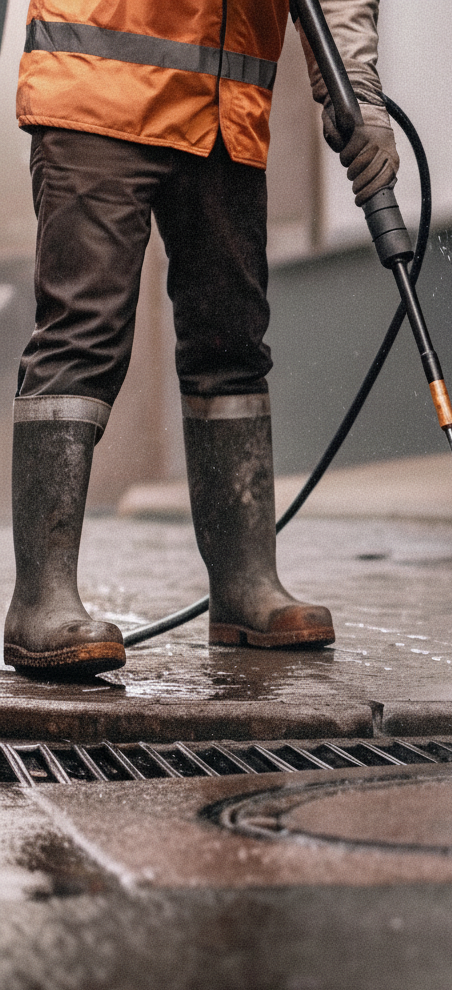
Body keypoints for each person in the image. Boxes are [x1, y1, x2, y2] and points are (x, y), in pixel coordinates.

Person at [5, 0, 399, 676]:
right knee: (83, 333)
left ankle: (246, 588)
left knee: (233, 346)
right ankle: (40, 600)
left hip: (227, 111)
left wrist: (354, 88)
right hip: (96, 87)